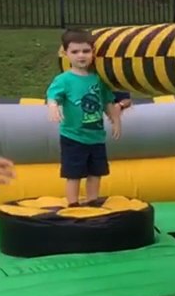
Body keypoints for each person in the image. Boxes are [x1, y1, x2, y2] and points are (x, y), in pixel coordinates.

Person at [47, 29, 122, 206]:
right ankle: (72, 204)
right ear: (66, 54)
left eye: (86, 51)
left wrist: (116, 120)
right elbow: (53, 96)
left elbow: (107, 101)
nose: (81, 55)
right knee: (73, 174)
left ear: (93, 53)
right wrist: (53, 107)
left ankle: (92, 201)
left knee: (96, 173)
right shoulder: (64, 79)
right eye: (75, 52)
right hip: (73, 136)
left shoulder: (97, 79)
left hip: (96, 137)